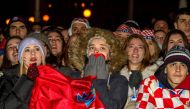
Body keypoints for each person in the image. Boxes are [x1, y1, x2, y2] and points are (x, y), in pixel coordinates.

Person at [68, 27, 128, 109]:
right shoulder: (74, 78)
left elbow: (113, 107)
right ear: (86, 53)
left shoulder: (118, 80)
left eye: (102, 48)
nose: (96, 51)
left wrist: (100, 82)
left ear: (111, 55)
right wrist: (86, 80)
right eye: (92, 48)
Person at [0, 37, 46, 109]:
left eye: (37, 49)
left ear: (42, 55)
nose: (33, 53)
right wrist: (28, 81)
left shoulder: (53, 75)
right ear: (21, 56)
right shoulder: (9, 79)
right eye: (27, 50)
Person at [120, 34, 159, 109]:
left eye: (140, 47)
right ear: (125, 50)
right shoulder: (115, 74)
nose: (135, 50)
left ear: (145, 52)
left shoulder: (156, 74)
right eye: (131, 46)